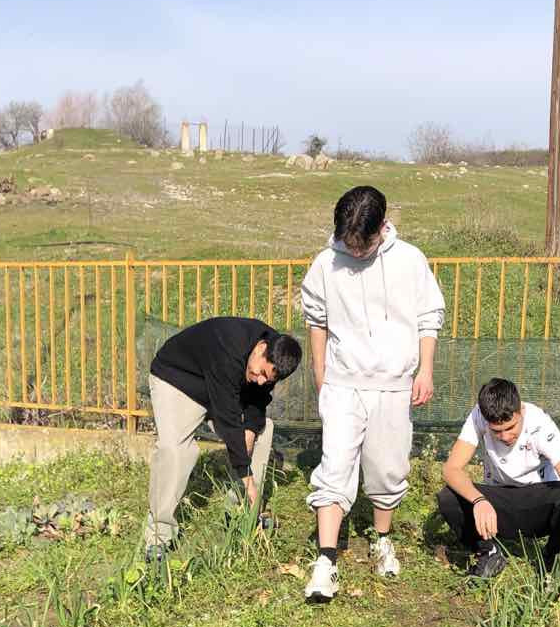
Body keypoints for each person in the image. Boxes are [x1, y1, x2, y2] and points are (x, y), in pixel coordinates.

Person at [300, 184, 444, 602]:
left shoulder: (409, 261)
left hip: (393, 384)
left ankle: (382, 540)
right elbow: (316, 319)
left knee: (387, 467)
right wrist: (321, 374)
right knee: (335, 464)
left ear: (383, 226)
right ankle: (326, 560)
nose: (357, 251)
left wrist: (425, 369)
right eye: (350, 243)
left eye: (365, 243)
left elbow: (427, 317)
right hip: (344, 384)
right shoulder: (326, 264)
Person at [144, 316, 302, 558]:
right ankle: (158, 535)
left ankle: (239, 512)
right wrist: (246, 474)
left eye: (267, 379)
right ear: (260, 350)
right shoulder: (229, 347)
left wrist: (250, 431)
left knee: (263, 429)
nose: (261, 380)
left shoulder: (273, 354)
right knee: (175, 451)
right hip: (178, 382)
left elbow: (257, 400)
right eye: (260, 372)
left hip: (218, 387)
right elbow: (228, 420)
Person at [437, 377, 560, 582]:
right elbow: (451, 469)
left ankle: (554, 556)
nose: (504, 436)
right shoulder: (478, 415)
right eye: (496, 431)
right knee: (448, 497)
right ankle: (489, 553)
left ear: (520, 411)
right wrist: (479, 500)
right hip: (499, 502)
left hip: (537, 501)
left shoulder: (539, 424)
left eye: (510, 427)